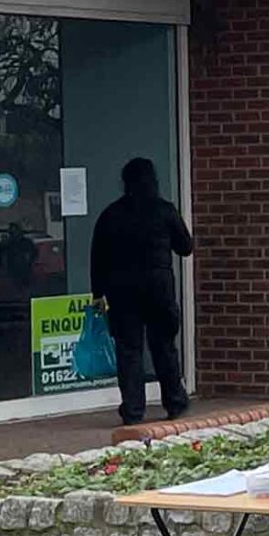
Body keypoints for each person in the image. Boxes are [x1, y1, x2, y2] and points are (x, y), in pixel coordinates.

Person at [89, 157, 194, 426]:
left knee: (129, 351)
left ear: (126, 183)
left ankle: (133, 411)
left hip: (122, 290)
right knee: (164, 346)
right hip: (159, 288)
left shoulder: (111, 214)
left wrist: (97, 293)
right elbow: (185, 247)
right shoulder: (164, 210)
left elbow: (98, 257)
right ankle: (175, 402)